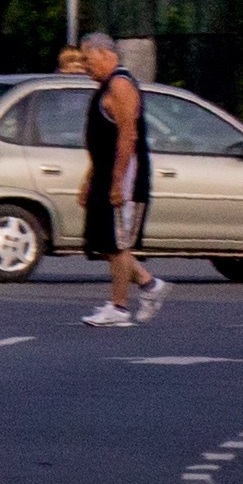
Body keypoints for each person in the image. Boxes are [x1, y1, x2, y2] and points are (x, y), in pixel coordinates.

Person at [81, 32, 166, 326]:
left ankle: (118, 307)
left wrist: (118, 183)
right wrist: (89, 179)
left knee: (118, 245)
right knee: (103, 242)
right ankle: (149, 284)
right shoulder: (106, 86)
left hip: (126, 177)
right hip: (105, 174)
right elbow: (102, 141)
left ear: (106, 54)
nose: (84, 66)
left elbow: (127, 136)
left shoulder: (120, 85)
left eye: (87, 59)